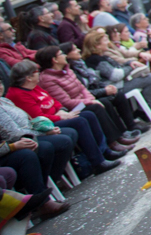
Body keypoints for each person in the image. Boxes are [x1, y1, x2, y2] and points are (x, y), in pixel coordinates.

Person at [5, 60, 122, 174]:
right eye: (36, 71)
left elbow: (54, 101)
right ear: (28, 77)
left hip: (57, 115)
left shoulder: (33, 86)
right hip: (46, 125)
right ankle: (97, 162)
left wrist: (61, 111)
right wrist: (61, 117)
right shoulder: (18, 94)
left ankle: (105, 150)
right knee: (80, 121)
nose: (39, 73)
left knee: (89, 115)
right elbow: (39, 118)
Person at [34, 46, 139, 151]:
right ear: (54, 59)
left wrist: (90, 99)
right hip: (72, 108)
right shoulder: (48, 79)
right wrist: (90, 102)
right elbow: (66, 102)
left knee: (105, 102)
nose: (65, 55)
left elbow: (82, 88)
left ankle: (120, 136)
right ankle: (112, 143)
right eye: (61, 53)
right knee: (95, 107)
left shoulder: (67, 70)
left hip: (82, 101)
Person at [0, 80, 71, 219]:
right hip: (10, 146)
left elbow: (27, 121)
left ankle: (42, 192)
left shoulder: (4, 101)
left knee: (46, 147)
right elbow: (13, 134)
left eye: (0, 82)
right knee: (27, 154)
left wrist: (44, 130)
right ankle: (42, 202)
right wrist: (13, 146)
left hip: (18, 140)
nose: (0, 86)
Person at [63, 42, 150, 133]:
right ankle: (120, 133)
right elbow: (83, 90)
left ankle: (132, 125)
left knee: (118, 95)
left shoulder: (81, 64)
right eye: (74, 49)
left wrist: (106, 87)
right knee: (104, 102)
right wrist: (103, 91)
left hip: (93, 93)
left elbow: (95, 82)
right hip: (84, 100)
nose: (78, 50)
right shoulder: (76, 69)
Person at [81, 30, 151, 120]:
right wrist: (131, 67)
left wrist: (129, 63)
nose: (108, 42)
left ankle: (147, 110)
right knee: (150, 78)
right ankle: (148, 111)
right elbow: (116, 75)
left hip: (120, 83)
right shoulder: (96, 60)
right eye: (105, 41)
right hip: (116, 87)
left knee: (149, 76)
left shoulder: (102, 57)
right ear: (97, 45)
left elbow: (119, 66)